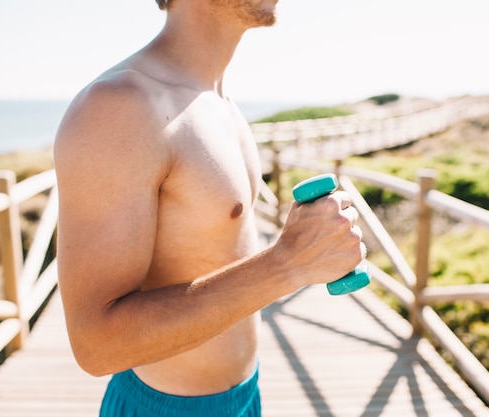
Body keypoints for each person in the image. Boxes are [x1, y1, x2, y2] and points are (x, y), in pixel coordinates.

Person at [53, 0, 365, 416]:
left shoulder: (220, 102)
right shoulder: (120, 106)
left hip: (245, 395)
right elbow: (97, 345)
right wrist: (287, 263)